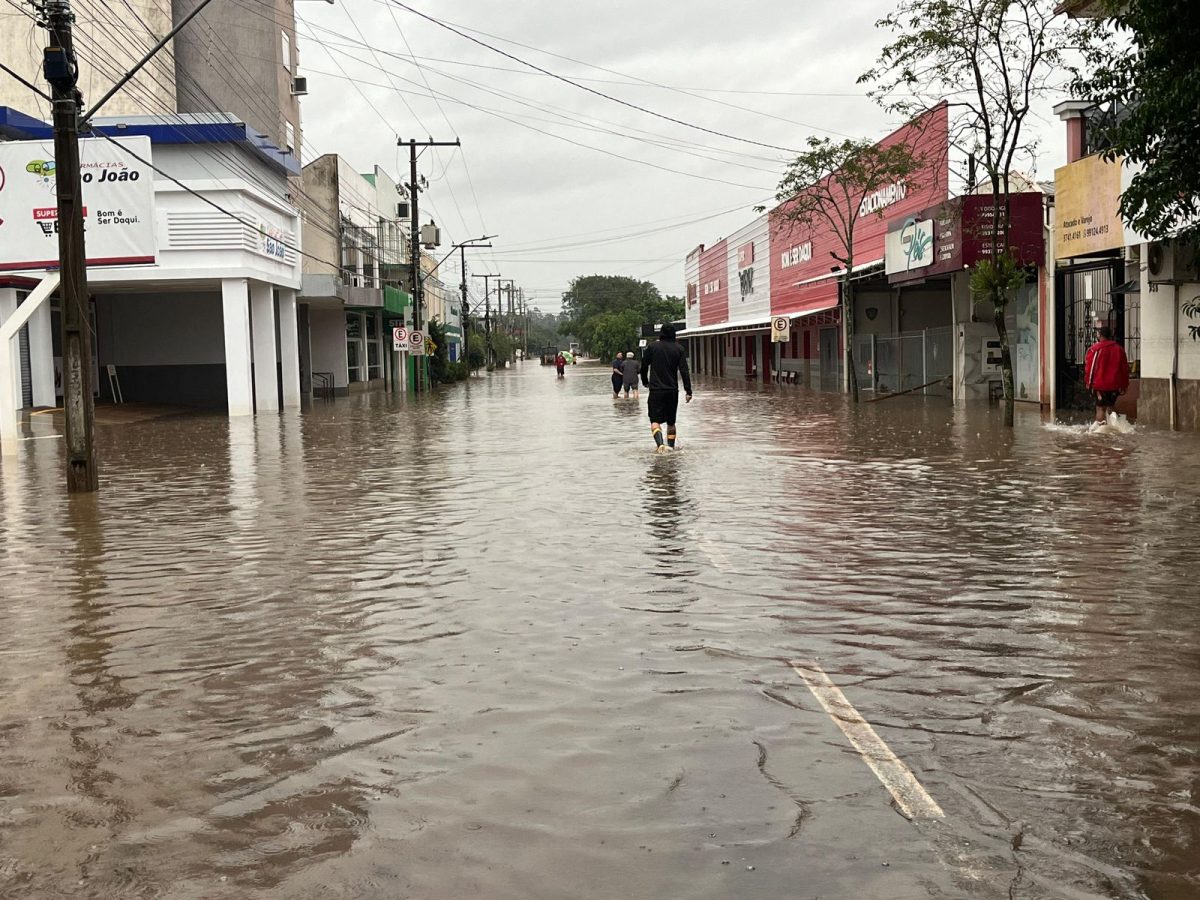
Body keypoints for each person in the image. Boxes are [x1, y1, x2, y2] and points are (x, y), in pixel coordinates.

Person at [640, 323, 692, 452]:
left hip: (656, 390)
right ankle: (671, 448)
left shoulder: (652, 347)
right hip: (672, 390)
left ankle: (660, 445)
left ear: (661, 333)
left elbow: (643, 366)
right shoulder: (679, 349)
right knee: (671, 422)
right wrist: (688, 390)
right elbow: (684, 371)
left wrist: (645, 382)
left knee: (655, 421)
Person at [1084, 326, 1130, 425]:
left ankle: (1101, 432)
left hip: (1099, 385)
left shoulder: (1095, 349)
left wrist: (1089, 382)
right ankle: (1115, 428)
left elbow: (1090, 368)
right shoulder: (1119, 349)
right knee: (1111, 407)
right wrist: (1125, 385)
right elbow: (1125, 369)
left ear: (1100, 335)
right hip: (1114, 385)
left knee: (1100, 408)